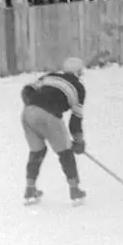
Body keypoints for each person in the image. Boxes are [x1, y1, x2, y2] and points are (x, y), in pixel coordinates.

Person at [20, 57, 87, 204]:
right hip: (49, 116)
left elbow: (27, 90)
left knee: (37, 151)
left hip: (28, 113)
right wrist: (78, 141)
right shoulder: (79, 89)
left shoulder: (51, 76)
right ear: (78, 73)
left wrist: (34, 104)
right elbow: (75, 121)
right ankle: (75, 190)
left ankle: (30, 189)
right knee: (65, 152)